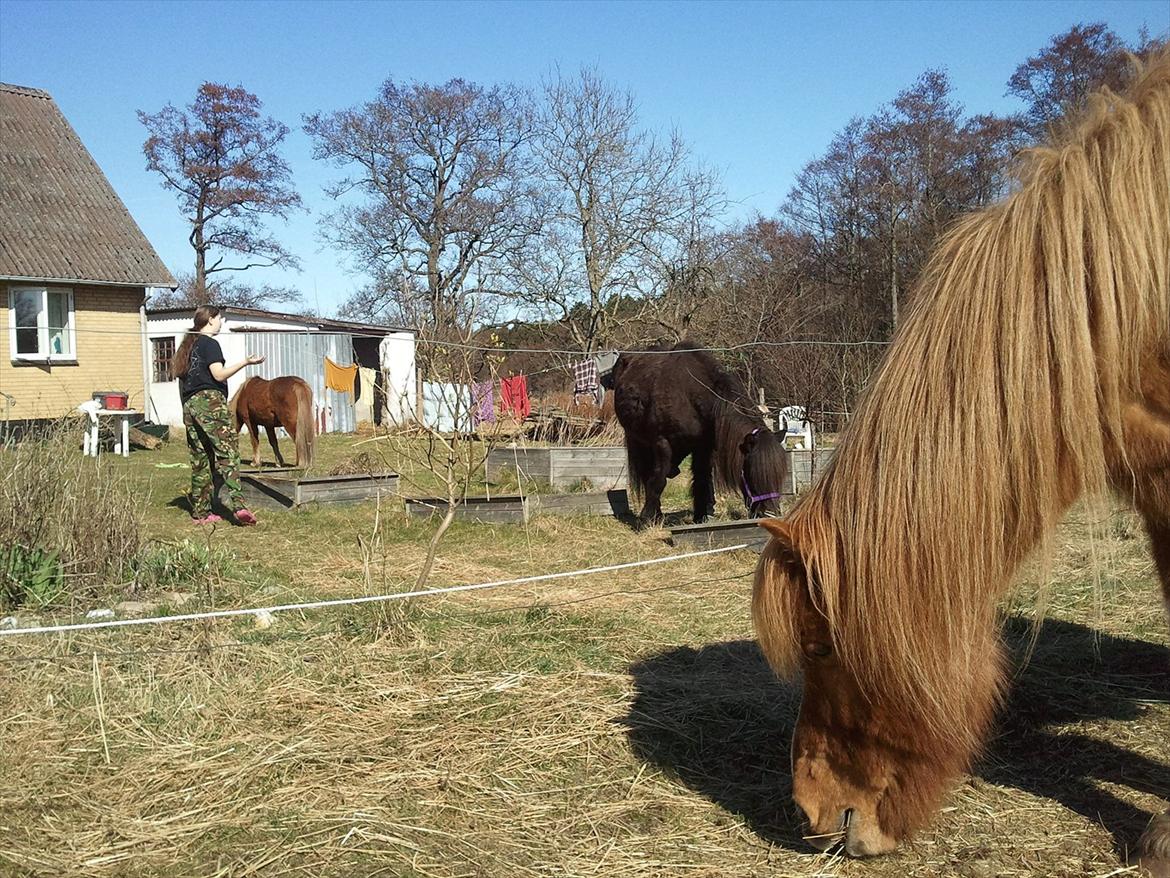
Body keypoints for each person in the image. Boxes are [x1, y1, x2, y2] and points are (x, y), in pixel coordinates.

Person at [171, 305, 265, 525]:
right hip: (210, 403)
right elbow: (218, 374)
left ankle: (201, 513)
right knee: (228, 453)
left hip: (190, 406)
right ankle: (239, 506)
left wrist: (188, 409)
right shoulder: (210, 344)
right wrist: (246, 362)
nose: (221, 322)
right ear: (211, 319)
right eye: (220, 318)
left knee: (201, 459)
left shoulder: (188, 346)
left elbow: (182, 383)